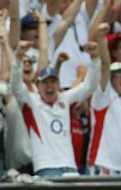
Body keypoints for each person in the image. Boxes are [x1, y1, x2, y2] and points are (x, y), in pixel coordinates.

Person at [9, 40, 100, 177]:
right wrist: (17, 58)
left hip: (70, 166)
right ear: (38, 86)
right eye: (45, 82)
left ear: (58, 84)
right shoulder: (31, 103)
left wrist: (95, 59)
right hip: (46, 166)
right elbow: (16, 86)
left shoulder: (65, 100)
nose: (49, 86)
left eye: (53, 81)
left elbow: (89, 86)